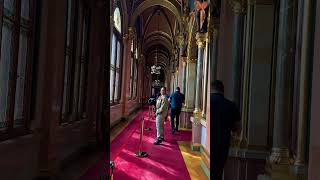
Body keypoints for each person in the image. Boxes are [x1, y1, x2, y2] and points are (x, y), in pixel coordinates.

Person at [211, 80, 241, 180]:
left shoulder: (207, 103)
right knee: (219, 169)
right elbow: (237, 126)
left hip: (209, 141)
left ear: (211, 89)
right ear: (223, 90)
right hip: (223, 141)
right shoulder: (231, 105)